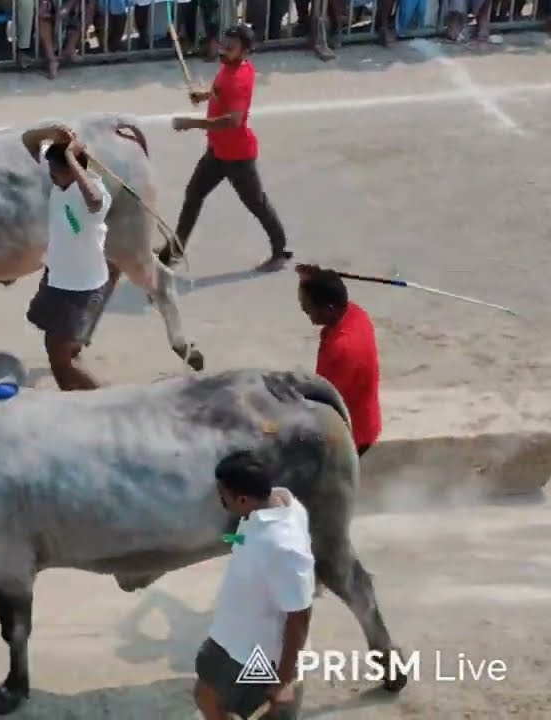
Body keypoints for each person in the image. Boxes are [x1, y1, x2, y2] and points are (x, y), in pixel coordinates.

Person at [164, 23, 293, 274]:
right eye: (224, 44)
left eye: (230, 48)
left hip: (237, 157)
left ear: (245, 52)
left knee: (257, 204)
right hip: (217, 151)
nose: (223, 50)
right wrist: (204, 96)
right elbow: (221, 91)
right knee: (193, 195)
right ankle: (177, 249)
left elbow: (232, 120)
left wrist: (191, 123)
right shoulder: (232, 67)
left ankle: (280, 250)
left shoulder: (239, 79)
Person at [194, 451, 312, 720]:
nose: (220, 499)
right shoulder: (278, 505)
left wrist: (283, 680)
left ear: (243, 499)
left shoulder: (281, 546)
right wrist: (222, 538)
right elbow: (249, 538)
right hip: (230, 637)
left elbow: (300, 615)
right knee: (206, 695)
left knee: (210, 699)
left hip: (251, 651)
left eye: (223, 494)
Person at [20, 124, 115, 392]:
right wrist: (52, 131)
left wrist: (72, 157)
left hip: (81, 288)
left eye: (56, 172)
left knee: (59, 360)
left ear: (72, 170)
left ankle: (100, 398)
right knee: (61, 346)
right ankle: (73, 371)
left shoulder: (94, 193)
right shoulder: (59, 184)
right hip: (58, 277)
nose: (50, 176)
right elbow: (28, 140)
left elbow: (94, 201)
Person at [297, 264, 381, 456]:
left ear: (329, 308)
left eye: (309, 308)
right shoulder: (356, 313)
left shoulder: (340, 350)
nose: (304, 310)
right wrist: (316, 278)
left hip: (348, 434)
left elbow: (321, 400)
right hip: (366, 420)